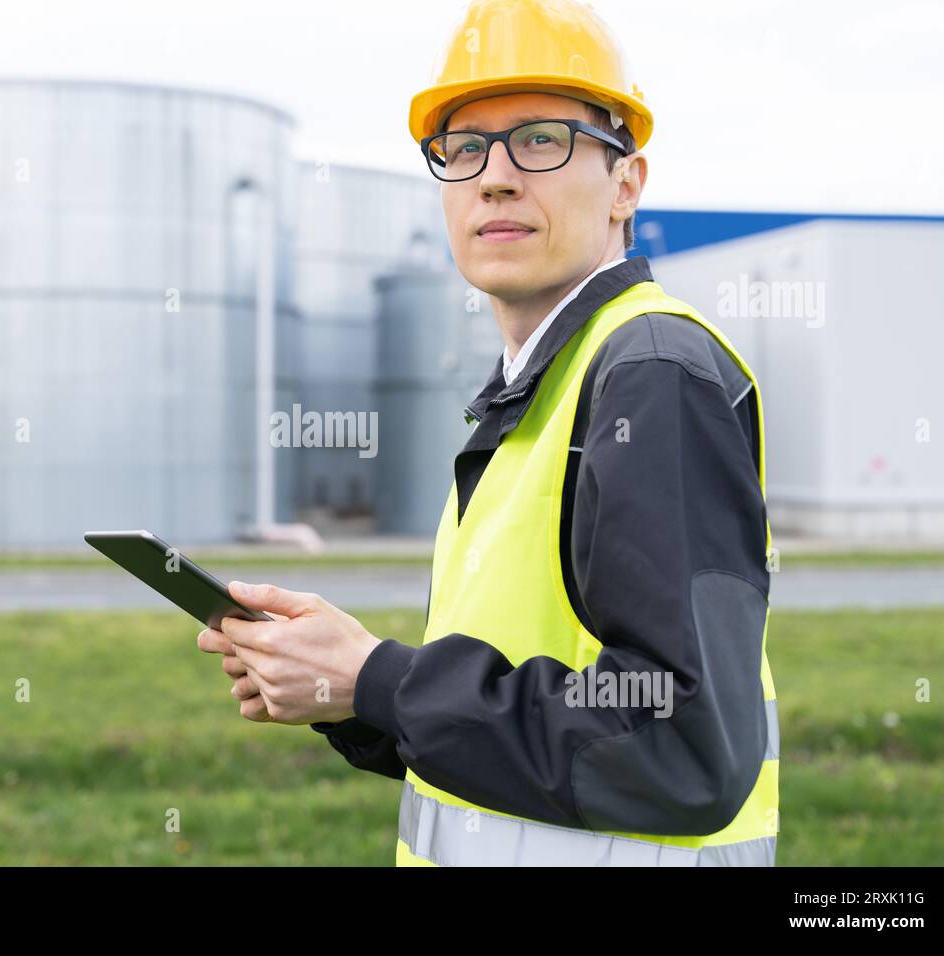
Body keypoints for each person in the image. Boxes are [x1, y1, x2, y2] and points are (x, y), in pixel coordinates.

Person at [197, 0, 779, 866]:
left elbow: (681, 747)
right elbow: (515, 732)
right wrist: (349, 691)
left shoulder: (650, 371)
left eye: (540, 139)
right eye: (464, 149)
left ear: (627, 183)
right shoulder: (532, 395)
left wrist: (379, 676)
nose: (495, 178)